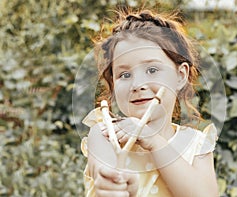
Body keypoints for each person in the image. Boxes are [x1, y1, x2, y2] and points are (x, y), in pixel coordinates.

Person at [80, 9, 219, 197]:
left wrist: (154, 141)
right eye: (125, 75)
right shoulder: (106, 134)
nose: (137, 85)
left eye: (152, 70)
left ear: (180, 75)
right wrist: (115, 185)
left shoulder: (196, 144)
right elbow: (106, 175)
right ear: (113, 84)